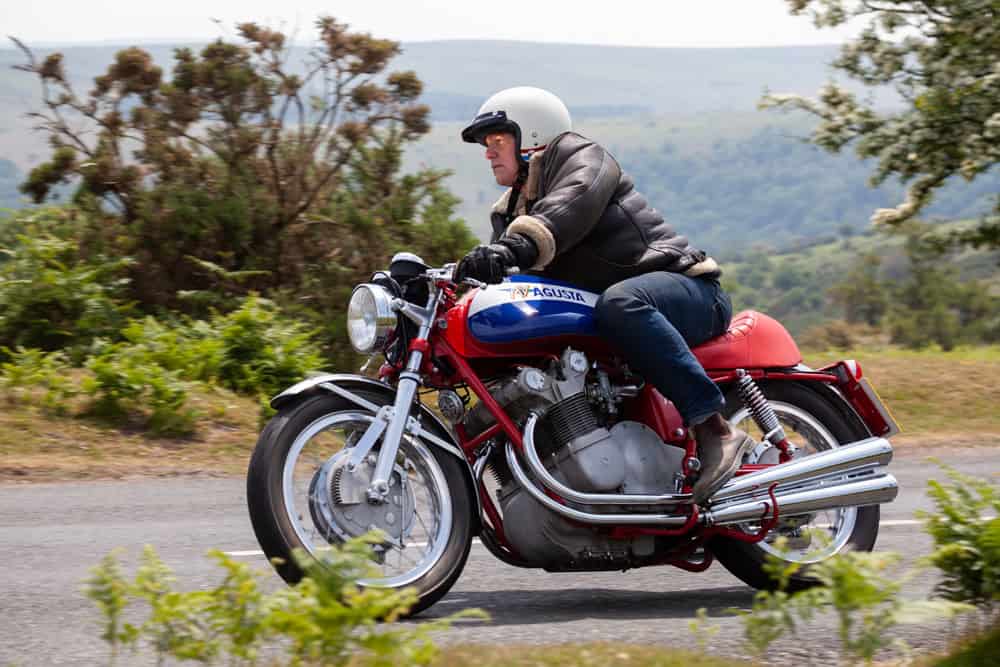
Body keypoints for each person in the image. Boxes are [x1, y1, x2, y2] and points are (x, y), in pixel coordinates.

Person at [454, 86, 753, 504]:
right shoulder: (510, 210)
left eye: (498, 140)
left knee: (620, 304)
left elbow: (567, 208)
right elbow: (505, 278)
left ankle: (715, 429)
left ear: (533, 135)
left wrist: (512, 248)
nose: (489, 152)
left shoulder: (582, 159)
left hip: (685, 290)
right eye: (486, 144)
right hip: (617, 316)